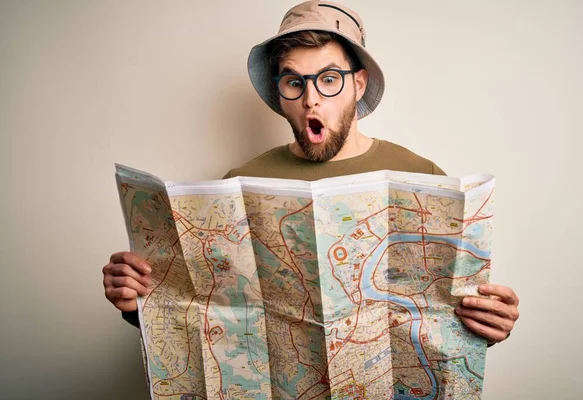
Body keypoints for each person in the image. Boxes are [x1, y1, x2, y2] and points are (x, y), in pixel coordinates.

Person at [103, 1, 519, 347]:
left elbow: (447, 315)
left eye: (329, 79)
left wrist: (491, 323)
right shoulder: (238, 184)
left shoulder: (420, 177)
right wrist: (137, 302)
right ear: (279, 93)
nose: (311, 100)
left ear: (359, 84)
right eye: (294, 82)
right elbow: (210, 316)